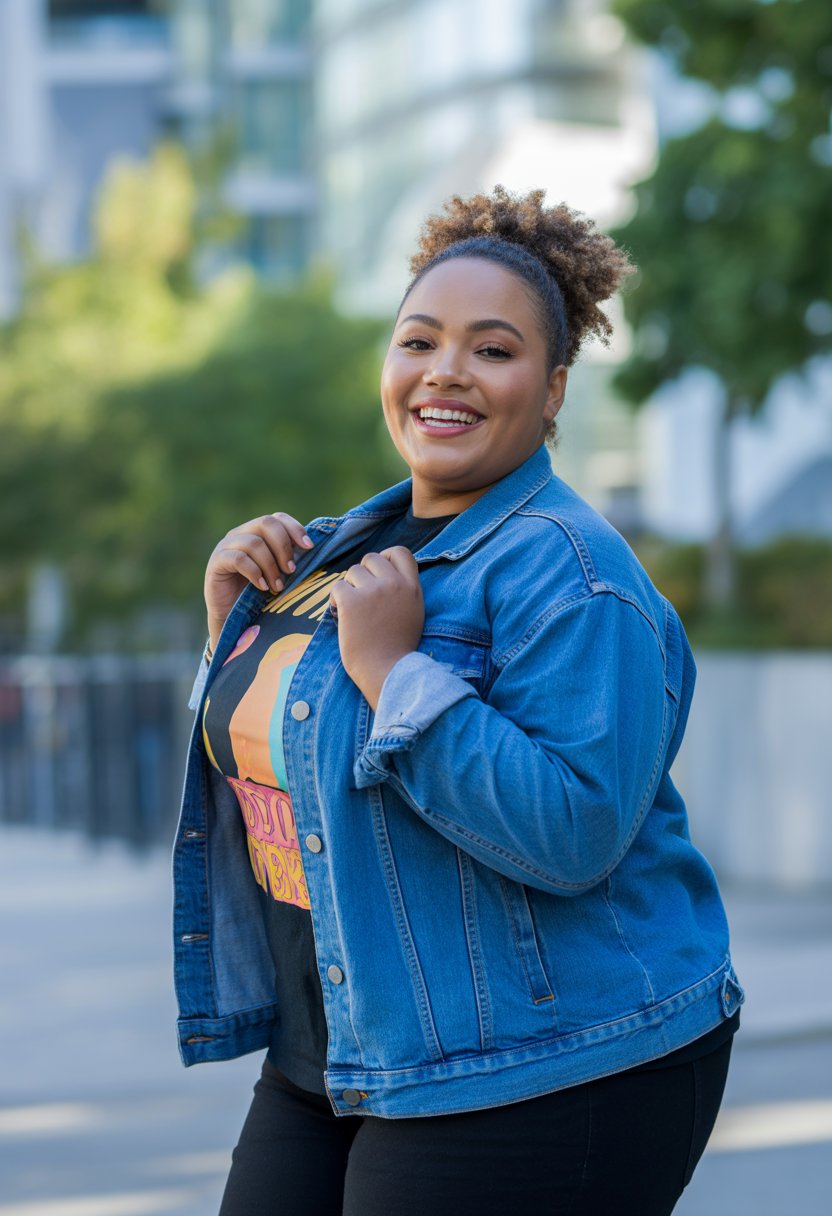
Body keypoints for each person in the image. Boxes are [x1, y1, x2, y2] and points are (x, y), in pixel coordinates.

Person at [172, 186, 743, 1215]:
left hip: (550, 1057)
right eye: (418, 340)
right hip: (346, 1042)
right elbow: (296, 780)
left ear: (555, 387)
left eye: (492, 349)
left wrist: (397, 674)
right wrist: (235, 636)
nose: (444, 370)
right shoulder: (340, 548)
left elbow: (572, 832)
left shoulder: (574, 575)